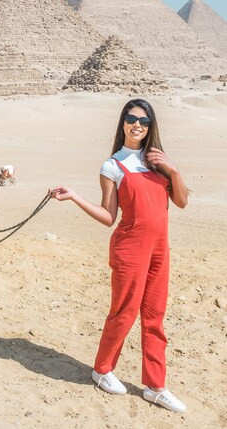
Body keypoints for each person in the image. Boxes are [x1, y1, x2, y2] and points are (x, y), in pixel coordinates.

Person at [49, 98, 189, 413]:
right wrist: (74, 197)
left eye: (144, 120)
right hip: (130, 249)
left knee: (154, 317)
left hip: (159, 250)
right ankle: (102, 369)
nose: (137, 124)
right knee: (124, 313)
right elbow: (108, 215)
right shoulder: (112, 165)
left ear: (151, 126)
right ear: (122, 122)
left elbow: (181, 202)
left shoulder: (159, 162)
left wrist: (174, 170)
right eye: (131, 118)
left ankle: (156, 386)